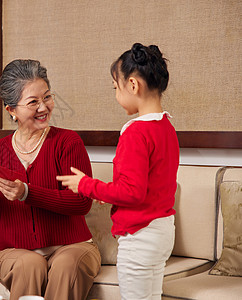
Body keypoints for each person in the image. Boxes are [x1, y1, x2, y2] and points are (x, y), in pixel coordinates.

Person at [0, 59, 101, 300]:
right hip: (12, 252)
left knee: (67, 266)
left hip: (72, 246)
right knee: (30, 264)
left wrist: (27, 193)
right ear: (12, 110)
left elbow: (81, 202)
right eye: (33, 102)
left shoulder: (68, 142)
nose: (44, 107)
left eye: (47, 97)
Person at [57, 43, 179, 300]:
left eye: (116, 87)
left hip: (140, 235)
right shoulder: (166, 126)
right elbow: (147, 185)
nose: (116, 95)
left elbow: (132, 192)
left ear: (133, 85)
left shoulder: (135, 131)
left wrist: (86, 185)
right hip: (163, 231)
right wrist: (110, 192)